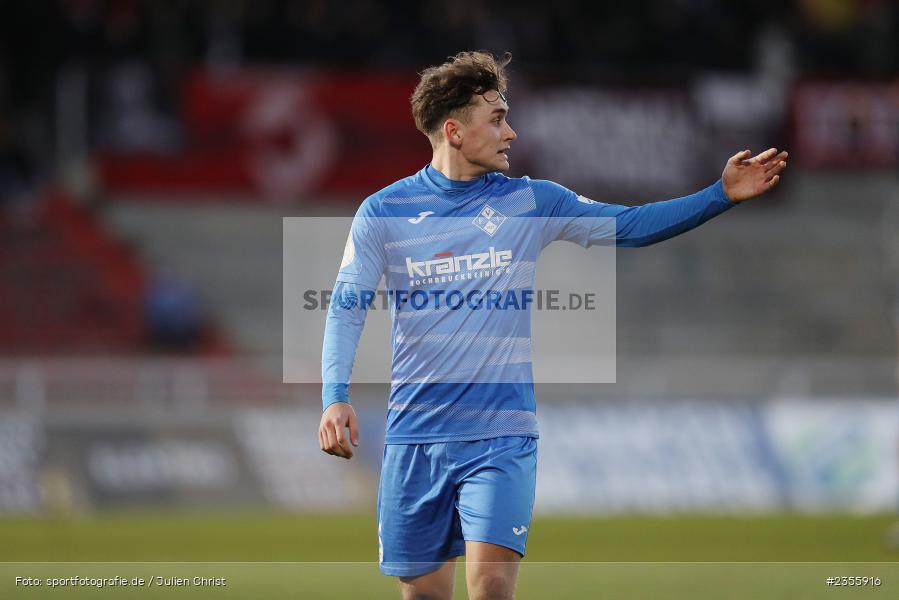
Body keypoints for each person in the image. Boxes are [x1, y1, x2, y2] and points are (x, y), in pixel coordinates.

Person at [319, 51, 788, 600]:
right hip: (415, 437)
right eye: (496, 119)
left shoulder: (531, 201)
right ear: (454, 130)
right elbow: (347, 303)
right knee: (424, 594)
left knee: (491, 585)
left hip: (501, 434)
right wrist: (335, 395)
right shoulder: (383, 211)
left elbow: (629, 225)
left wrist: (719, 195)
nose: (511, 132)